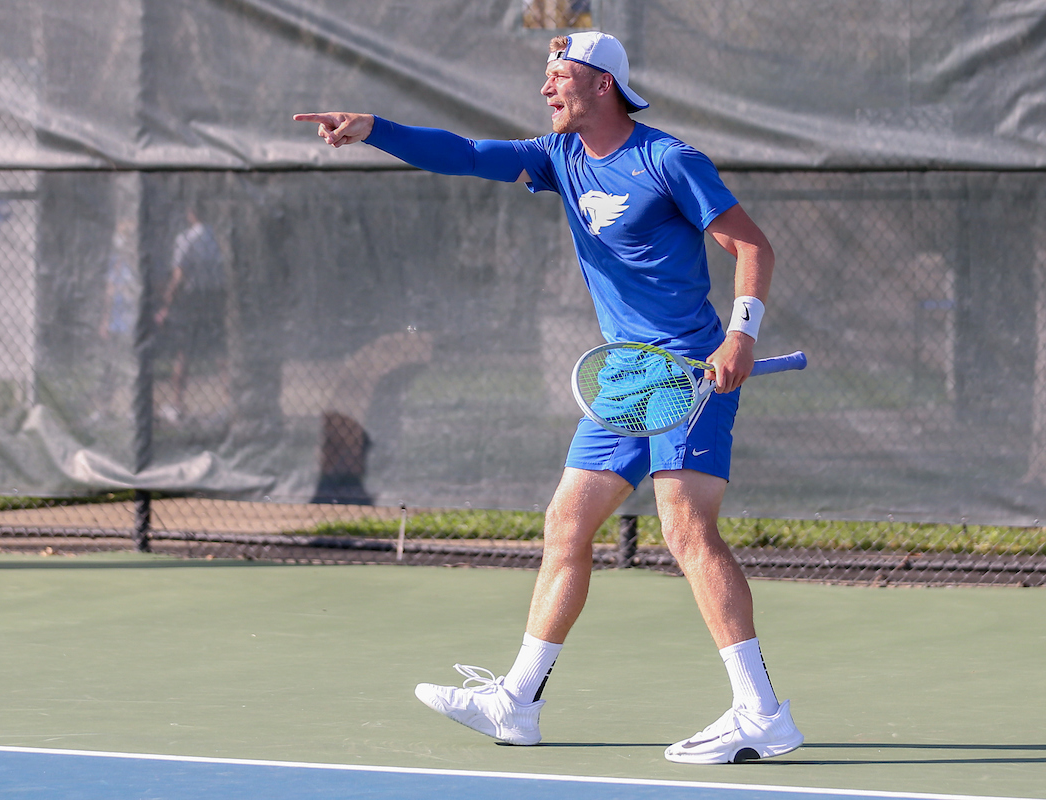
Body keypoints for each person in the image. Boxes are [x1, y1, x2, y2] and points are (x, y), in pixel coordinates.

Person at [294, 31, 803, 765]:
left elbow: (752, 246)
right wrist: (375, 129)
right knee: (566, 521)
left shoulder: (669, 160)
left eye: (558, 76)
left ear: (602, 85)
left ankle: (762, 713)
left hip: (689, 374)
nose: (545, 89)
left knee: (686, 530)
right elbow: (466, 154)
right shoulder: (557, 158)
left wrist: (741, 336)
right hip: (623, 377)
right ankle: (518, 701)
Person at [153, 206, 227, 422]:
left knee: (183, 352)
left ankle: (177, 403)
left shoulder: (187, 238)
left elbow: (179, 273)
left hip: (191, 300)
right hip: (215, 297)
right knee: (219, 350)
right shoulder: (217, 238)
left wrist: (167, 299)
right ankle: (230, 402)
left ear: (191, 213)